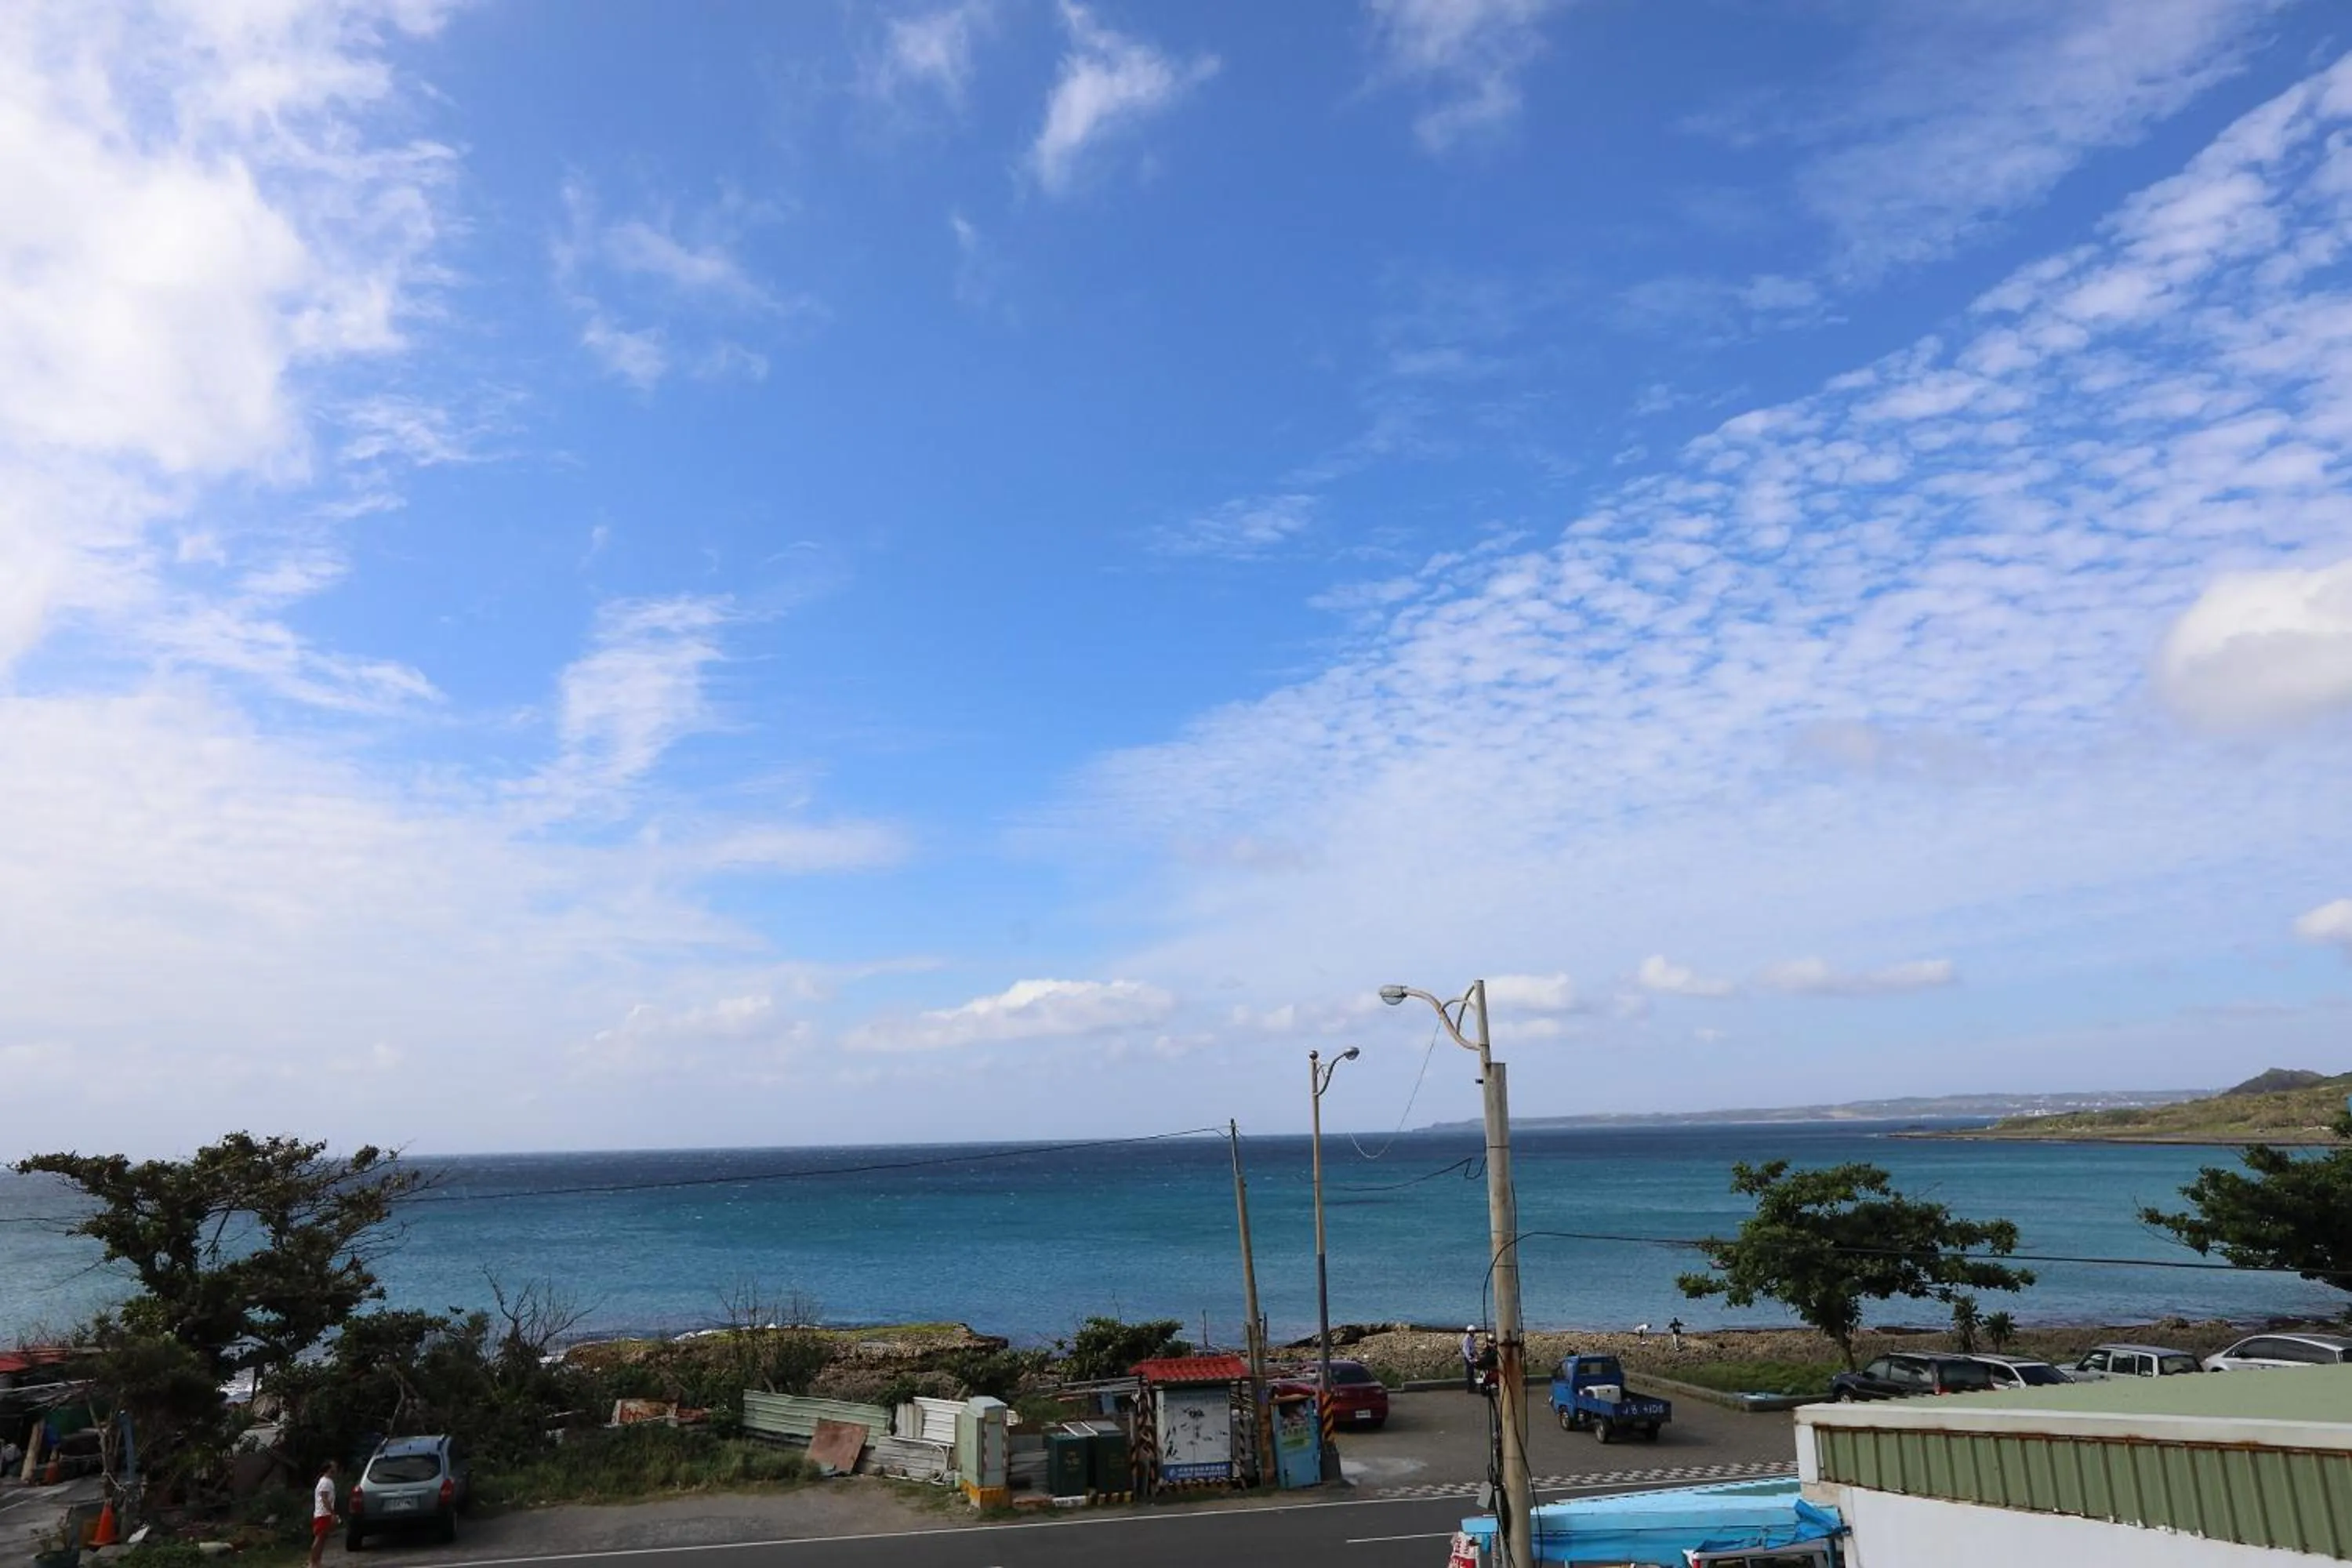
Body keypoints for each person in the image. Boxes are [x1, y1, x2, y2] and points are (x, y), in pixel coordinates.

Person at [310, 1460, 339, 1567]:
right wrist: (332, 1513)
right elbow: (324, 1499)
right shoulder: (325, 1482)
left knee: (323, 1538)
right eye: (334, 1466)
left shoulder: (329, 1481)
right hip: (322, 1514)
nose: (336, 1468)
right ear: (329, 1469)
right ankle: (313, 1562)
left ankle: (318, 1561)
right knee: (319, 1538)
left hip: (325, 1514)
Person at [1460, 1325, 1482, 1393]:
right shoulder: (1467, 1339)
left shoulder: (1471, 1338)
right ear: (1469, 1332)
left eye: (1474, 1332)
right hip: (1468, 1357)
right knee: (1470, 1373)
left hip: (1471, 1356)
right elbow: (1466, 1350)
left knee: (1471, 1373)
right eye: (1472, 1332)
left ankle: (1472, 1387)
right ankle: (1470, 1389)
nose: (1473, 1333)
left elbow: (1473, 1348)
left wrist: (1477, 1355)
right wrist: (1470, 1359)